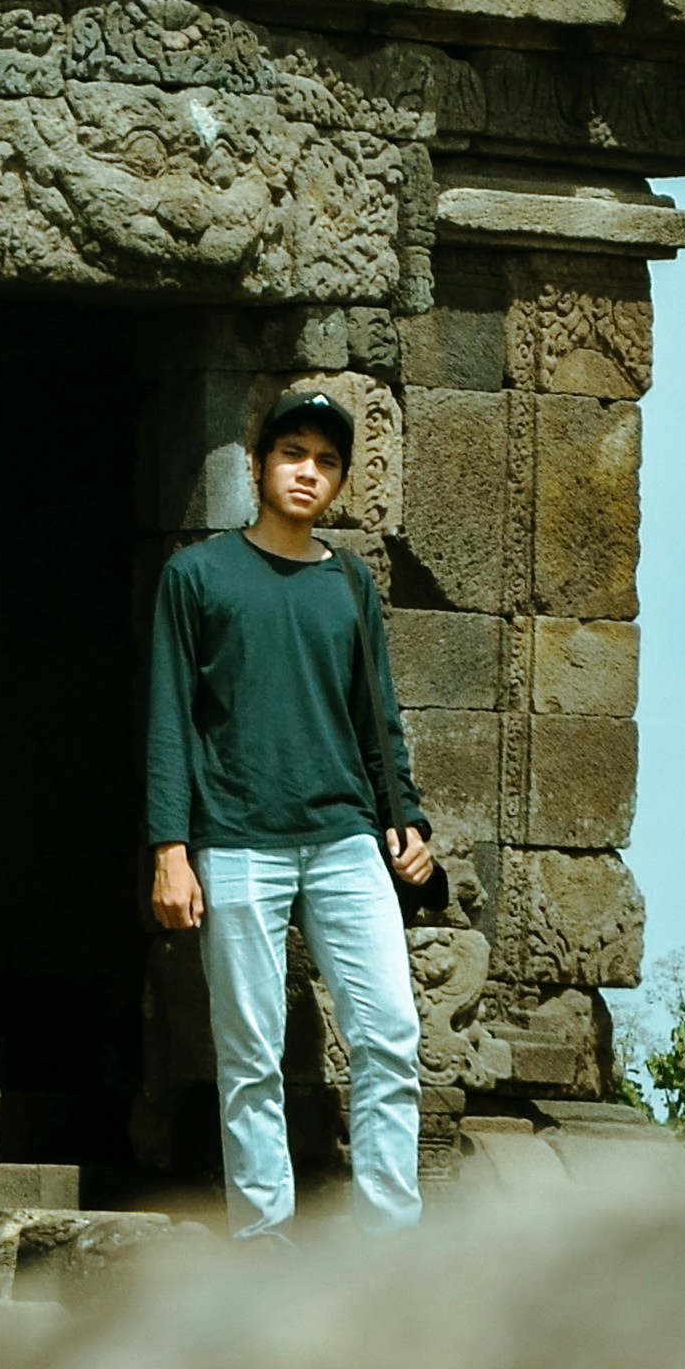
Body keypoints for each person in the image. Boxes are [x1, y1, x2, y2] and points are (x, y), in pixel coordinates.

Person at [145, 388, 436, 1237]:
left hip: (345, 837)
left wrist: (407, 821)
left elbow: (378, 716)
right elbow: (167, 720)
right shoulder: (196, 576)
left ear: (339, 481)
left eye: (326, 461)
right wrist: (169, 849)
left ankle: (390, 1240)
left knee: (390, 1034)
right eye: (292, 454)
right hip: (237, 841)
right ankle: (263, 1242)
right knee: (249, 1056)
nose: (308, 472)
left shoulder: (348, 582)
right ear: (257, 463)